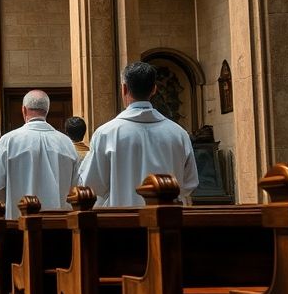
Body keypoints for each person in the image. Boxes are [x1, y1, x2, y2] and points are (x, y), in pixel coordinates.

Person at [79, 62, 199, 207]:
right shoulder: (179, 133)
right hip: (168, 222)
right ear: (154, 89)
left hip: (122, 221)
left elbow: (91, 185)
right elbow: (189, 184)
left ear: (124, 88)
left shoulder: (106, 133)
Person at [0, 90, 79, 219]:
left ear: (24, 110)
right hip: (58, 223)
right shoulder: (66, 143)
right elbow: (76, 187)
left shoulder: (9, 141)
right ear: (47, 110)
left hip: (19, 223)